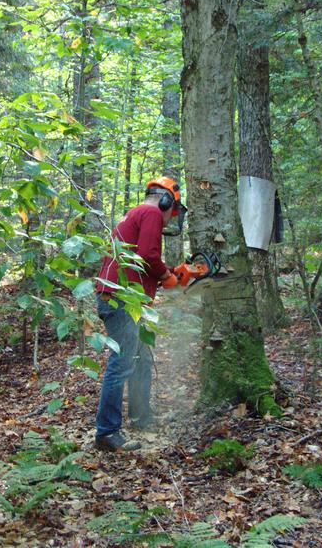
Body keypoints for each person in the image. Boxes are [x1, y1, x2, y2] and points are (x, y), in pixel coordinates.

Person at [94, 177, 186, 452]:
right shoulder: (150, 213)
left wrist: (168, 271)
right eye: (173, 210)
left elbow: (140, 258)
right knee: (121, 362)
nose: (171, 218)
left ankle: (141, 417)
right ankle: (107, 432)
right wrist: (166, 275)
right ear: (167, 201)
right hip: (121, 299)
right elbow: (148, 255)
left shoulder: (136, 214)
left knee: (141, 358)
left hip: (127, 298)